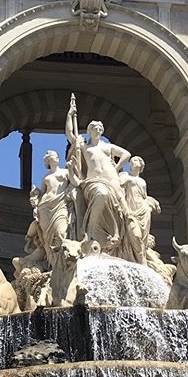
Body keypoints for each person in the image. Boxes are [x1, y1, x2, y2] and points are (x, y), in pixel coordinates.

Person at [65, 95, 133, 258]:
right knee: (101, 194)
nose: (98, 131)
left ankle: (119, 239)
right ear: (89, 131)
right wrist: (70, 114)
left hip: (112, 180)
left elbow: (126, 154)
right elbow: (70, 134)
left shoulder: (107, 146)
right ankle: (89, 232)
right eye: (95, 128)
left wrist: (115, 168)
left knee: (124, 211)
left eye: (100, 129)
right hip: (93, 181)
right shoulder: (84, 146)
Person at [32, 150, 76, 267]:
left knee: (62, 232)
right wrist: (35, 195)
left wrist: (72, 170)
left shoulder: (65, 172)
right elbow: (41, 193)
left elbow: (76, 183)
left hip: (60, 204)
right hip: (44, 207)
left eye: (57, 156)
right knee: (47, 237)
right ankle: (52, 263)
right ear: (48, 161)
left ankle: (64, 261)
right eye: (53, 157)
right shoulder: (46, 177)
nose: (56, 158)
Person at [120, 156, 160, 264]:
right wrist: (125, 209)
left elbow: (144, 196)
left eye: (136, 160)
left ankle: (141, 260)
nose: (133, 162)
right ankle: (138, 260)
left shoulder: (142, 181)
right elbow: (120, 194)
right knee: (135, 234)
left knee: (143, 238)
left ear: (141, 165)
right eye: (131, 161)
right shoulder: (124, 177)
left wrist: (152, 203)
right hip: (130, 210)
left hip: (143, 210)